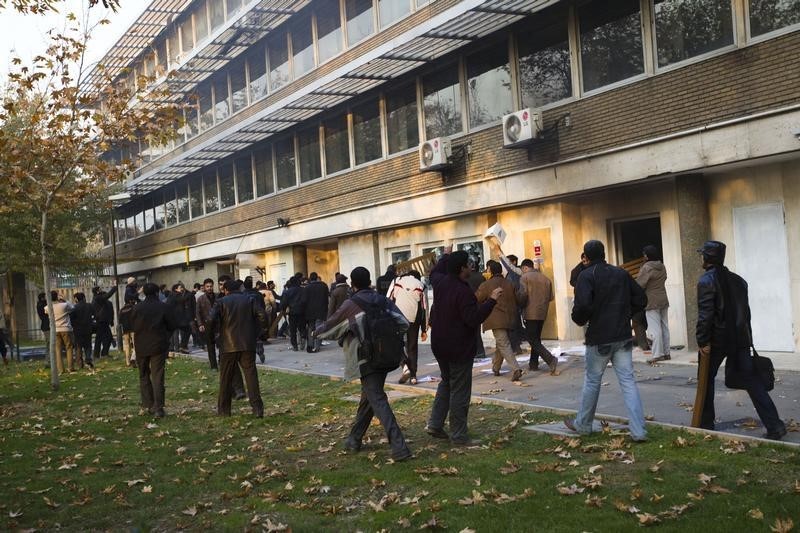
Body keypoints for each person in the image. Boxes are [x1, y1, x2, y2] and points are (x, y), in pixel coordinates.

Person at [314, 266, 412, 461]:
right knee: (369, 398)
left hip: (365, 359)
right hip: (385, 356)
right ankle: (354, 439)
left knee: (377, 399)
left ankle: (400, 447)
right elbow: (403, 323)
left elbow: (330, 327)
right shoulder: (383, 300)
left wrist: (315, 332)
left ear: (353, 284)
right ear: (369, 281)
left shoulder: (351, 304)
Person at [695, 241, 786, 440]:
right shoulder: (739, 281)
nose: (701, 258)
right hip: (740, 339)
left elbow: (706, 315)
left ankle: (704, 423)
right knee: (752, 381)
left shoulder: (705, 281)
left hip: (717, 340)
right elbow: (746, 314)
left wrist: (702, 341)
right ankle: (774, 424)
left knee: (706, 381)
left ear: (707, 258)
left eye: (702, 255)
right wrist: (748, 339)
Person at [564, 240, 648, 442]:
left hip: (599, 337)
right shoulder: (621, 273)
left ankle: (583, 425)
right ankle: (639, 431)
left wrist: (581, 318)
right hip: (622, 335)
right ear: (603, 253)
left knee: (593, 381)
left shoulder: (586, 276)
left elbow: (582, 307)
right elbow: (641, 299)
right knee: (628, 382)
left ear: (586, 256)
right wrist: (626, 313)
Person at [427, 250, 501, 445]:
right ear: (462, 269)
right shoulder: (463, 291)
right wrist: (491, 300)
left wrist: (445, 255)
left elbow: (434, 272)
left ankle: (435, 424)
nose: (471, 267)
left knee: (446, 383)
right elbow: (473, 318)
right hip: (458, 347)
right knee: (459, 390)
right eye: (468, 265)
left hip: (440, 344)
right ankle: (458, 435)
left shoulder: (440, 283)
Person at [208, 279, 268, 418]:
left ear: (226, 290)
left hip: (227, 345)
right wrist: (260, 332)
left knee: (225, 378)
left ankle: (224, 410)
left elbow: (210, 320)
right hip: (247, 344)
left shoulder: (221, 302)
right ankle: (257, 409)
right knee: (251, 376)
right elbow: (262, 315)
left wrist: (212, 337)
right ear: (240, 289)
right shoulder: (250, 300)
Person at [130, 283, 178, 418]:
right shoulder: (164, 307)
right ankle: (159, 407)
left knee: (144, 374)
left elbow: (132, 325)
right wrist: (165, 337)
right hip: (158, 344)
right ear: (157, 292)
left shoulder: (137, 308)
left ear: (144, 293)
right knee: (158, 376)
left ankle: (149, 404)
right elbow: (172, 324)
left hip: (141, 345)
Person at [476, 260, 524, 382]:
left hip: (496, 319)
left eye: (487, 270)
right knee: (501, 343)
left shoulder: (486, 285)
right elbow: (518, 299)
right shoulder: (509, 283)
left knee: (503, 343)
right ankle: (496, 367)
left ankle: (516, 369)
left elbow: (477, 298)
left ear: (490, 271)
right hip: (510, 318)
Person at [388, 270, 428, 385]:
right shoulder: (421, 285)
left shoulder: (396, 281)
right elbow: (424, 309)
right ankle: (413, 376)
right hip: (413, 320)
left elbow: (388, 300)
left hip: (397, 318)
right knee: (412, 347)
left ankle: (404, 365)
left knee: (395, 343)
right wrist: (424, 329)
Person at [520, 259, 558, 374]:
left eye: (522, 270)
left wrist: (520, 304)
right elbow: (551, 297)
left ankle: (550, 359)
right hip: (542, 312)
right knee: (536, 338)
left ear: (525, 268)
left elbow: (523, 295)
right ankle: (533, 364)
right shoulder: (546, 279)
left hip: (530, 312)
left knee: (532, 340)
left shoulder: (524, 278)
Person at [637, 245, 670, 363]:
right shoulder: (662, 266)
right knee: (665, 326)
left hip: (651, 300)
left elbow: (640, 284)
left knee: (655, 328)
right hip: (663, 298)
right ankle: (667, 353)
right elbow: (664, 278)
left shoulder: (646, 268)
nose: (644, 256)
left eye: (644, 254)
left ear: (647, 255)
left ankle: (657, 354)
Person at [45, 291, 75, 374]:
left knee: (58, 349)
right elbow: (72, 307)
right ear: (57, 297)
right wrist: (65, 299)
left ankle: (61, 369)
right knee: (69, 347)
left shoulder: (48, 307)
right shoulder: (64, 305)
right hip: (66, 329)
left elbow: (46, 311)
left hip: (55, 330)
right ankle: (70, 367)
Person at [466, 259, 487, 359]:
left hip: (469, 305)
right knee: (476, 330)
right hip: (480, 305)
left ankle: (476, 351)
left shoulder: (466, 277)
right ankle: (480, 351)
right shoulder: (481, 277)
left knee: (471, 331)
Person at [304, 272, 329, 353]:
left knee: (311, 328)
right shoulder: (323, 286)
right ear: (317, 278)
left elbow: (304, 300)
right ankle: (317, 346)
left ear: (310, 278)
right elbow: (327, 298)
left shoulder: (307, 288)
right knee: (319, 328)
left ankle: (310, 345)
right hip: (321, 310)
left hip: (310, 312)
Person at [281, 277, 307, 351]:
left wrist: (283, 309)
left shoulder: (288, 291)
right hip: (302, 312)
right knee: (302, 327)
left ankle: (295, 346)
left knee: (293, 330)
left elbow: (284, 303)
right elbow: (305, 300)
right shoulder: (303, 290)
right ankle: (303, 337)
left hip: (292, 313)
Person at [167, 283, 194, 354]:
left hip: (175, 318)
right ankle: (182, 346)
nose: (182, 289)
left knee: (175, 333)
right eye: (180, 288)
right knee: (187, 330)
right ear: (176, 289)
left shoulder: (171, 295)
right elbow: (182, 300)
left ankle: (178, 347)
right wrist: (190, 294)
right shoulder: (176, 295)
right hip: (178, 318)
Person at [92, 285, 117, 359]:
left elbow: (110, 312)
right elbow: (108, 295)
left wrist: (111, 321)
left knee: (103, 338)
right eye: (100, 289)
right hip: (101, 321)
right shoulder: (97, 298)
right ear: (97, 291)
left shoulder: (99, 300)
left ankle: (102, 354)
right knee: (101, 338)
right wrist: (114, 287)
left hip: (103, 321)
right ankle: (101, 354)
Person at [71, 293, 94, 370]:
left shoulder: (74, 307)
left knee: (79, 347)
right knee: (88, 345)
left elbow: (72, 319)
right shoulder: (89, 306)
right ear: (84, 298)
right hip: (88, 328)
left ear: (76, 299)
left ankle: (80, 364)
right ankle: (88, 359)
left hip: (78, 330)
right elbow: (94, 315)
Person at [118, 297, 138, 367]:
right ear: (130, 301)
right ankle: (133, 358)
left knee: (127, 345)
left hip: (125, 330)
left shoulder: (121, 310)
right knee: (136, 345)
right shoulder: (134, 308)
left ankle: (127, 361)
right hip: (133, 329)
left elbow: (120, 321)